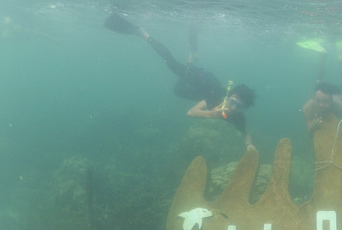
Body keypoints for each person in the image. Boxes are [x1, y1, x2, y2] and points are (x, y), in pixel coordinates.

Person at [104, 14, 256, 149]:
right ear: (229, 96)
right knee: (170, 61)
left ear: (243, 109)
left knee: (179, 90)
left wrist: (249, 146)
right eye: (233, 101)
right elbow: (191, 112)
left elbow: (245, 132)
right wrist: (213, 114)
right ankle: (144, 33)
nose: (233, 107)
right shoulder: (216, 97)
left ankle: (193, 56)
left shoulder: (238, 117)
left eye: (239, 106)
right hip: (197, 79)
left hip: (197, 90)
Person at [301, 49, 342, 134]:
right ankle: (322, 55)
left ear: (331, 101)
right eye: (318, 100)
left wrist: (341, 133)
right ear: (313, 98)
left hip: (340, 93)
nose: (321, 105)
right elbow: (309, 130)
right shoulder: (307, 108)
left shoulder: (339, 106)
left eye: (325, 102)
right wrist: (313, 129)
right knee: (320, 78)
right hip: (324, 90)